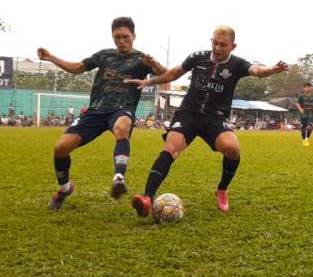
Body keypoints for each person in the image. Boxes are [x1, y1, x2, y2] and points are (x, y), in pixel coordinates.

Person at [127, 25, 288, 216]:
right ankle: (147, 199)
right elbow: (173, 73)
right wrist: (149, 81)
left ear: (233, 46)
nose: (218, 48)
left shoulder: (237, 64)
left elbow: (258, 71)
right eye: (215, 43)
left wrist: (272, 69)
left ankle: (222, 189)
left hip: (215, 117)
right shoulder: (197, 57)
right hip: (188, 113)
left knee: (232, 149)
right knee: (171, 147)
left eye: (223, 45)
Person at [38, 17, 166, 210]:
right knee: (60, 149)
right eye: (117, 37)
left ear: (134, 36)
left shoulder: (142, 59)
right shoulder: (104, 55)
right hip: (96, 110)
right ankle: (65, 189)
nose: (121, 41)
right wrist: (51, 57)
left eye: (125, 36)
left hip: (122, 108)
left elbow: (166, 75)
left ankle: (118, 178)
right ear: (112, 37)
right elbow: (77, 68)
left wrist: (154, 64)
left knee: (122, 127)